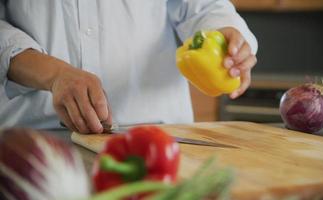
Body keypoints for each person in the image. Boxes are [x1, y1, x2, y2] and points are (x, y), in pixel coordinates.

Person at [0, 0, 257, 133]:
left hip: (160, 134)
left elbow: (204, 6)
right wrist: (55, 75)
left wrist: (226, 33)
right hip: (36, 135)